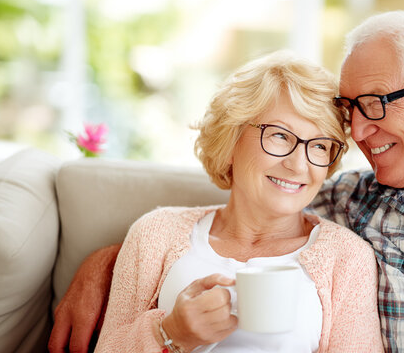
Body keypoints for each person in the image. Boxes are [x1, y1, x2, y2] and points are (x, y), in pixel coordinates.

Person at [49, 11, 404, 352]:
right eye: (350, 110)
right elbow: (252, 218)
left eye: (373, 104)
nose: (357, 129)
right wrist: (107, 263)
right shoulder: (354, 204)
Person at [91, 51, 382, 353]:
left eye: (320, 145)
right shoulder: (155, 234)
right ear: (231, 141)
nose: (299, 165)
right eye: (280, 136)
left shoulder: (348, 258)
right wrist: (170, 334)